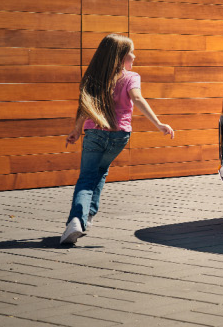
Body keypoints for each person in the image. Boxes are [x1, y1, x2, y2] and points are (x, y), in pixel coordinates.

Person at [60, 34, 173, 246]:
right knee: (100, 172)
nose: (134, 56)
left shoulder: (94, 77)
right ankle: (89, 216)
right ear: (120, 57)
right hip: (120, 135)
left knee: (86, 177)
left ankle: (77, 220)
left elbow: (86, 107)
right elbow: (137, 98)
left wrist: (76, 130)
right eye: (131, 53)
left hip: (94, 133)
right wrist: (159, 124)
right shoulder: (131, 77)